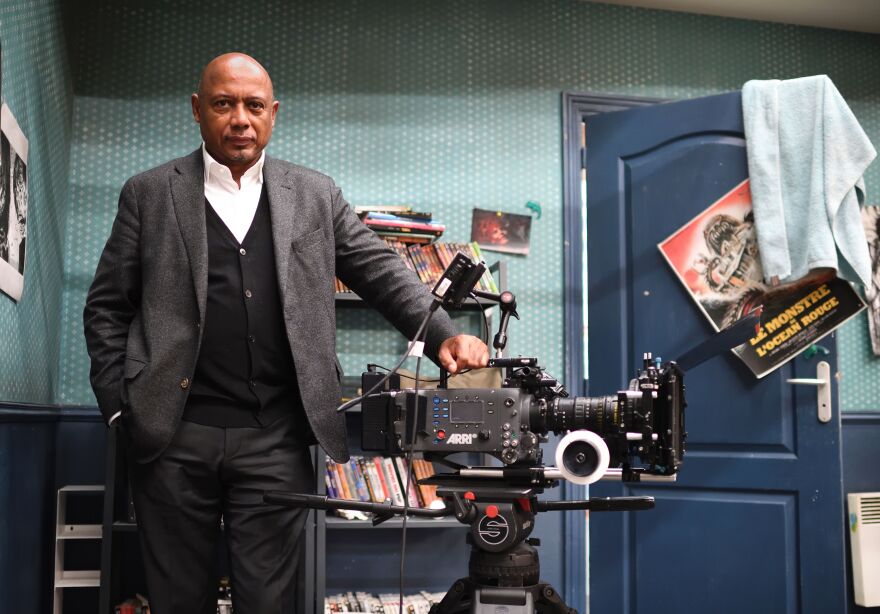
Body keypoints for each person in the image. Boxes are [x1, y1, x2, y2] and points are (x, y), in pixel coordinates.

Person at [83, 52, 489, 614]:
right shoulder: (149, 193)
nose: (240, 119)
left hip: (277, 438)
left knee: (268, 601)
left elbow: (379, 270)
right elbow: (106, 308)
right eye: (224, 104)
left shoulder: (315, 194)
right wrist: (120, 408)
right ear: (198, 110)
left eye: (253, 106)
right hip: (173, 436)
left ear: (273, 114)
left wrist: (441, 332)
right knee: (176, 599)